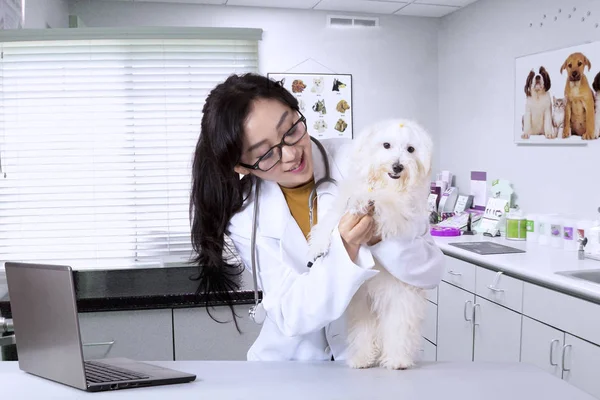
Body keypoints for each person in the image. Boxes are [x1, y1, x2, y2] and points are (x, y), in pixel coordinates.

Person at [189, 73, 444, 362]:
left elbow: (429, 271)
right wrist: (346, 249)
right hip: (291, 365)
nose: (290, 154)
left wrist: (383, 235)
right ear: (242, 166)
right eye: (265, 154)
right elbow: (291, 314)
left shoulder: (364, 160)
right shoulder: (248, 219)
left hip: (371, 362)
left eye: (291, 130)